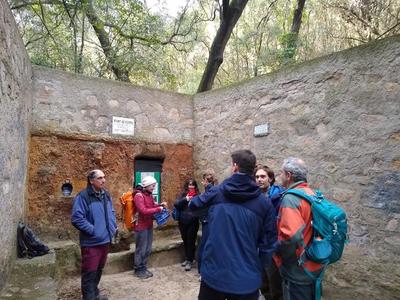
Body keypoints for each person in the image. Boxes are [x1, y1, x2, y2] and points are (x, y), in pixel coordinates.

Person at [189, 149, 277, 300]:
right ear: (252, 170)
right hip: (246, 279)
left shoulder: (217, 193)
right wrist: (258, 267)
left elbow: (193, 206)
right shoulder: (265, 204)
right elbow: (268, 244)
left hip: (214, 275)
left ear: (235, 167)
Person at [274, 157, 324, 300]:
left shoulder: (291, 198)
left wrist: (282, 259)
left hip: (297, 270)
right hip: (314, 264)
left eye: (281, 173)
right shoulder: (312, 194)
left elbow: (292, 236)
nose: (280, 176)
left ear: (289, 175)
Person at [71, 169, 117, 300]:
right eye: (100, 178)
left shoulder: (105, 195)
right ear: (91, 181)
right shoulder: (83, 196)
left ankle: (95, 295)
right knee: (89, 273)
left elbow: (111, 211)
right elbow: (77, 218)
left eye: (104, 177)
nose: (103, 180)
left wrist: (112, 226)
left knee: (98, 271)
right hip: (92, 243)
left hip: (105, 241)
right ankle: (89, 297)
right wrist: (94, 231)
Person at [255, 165, 283, 300]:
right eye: (257, 177)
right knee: (262, 280)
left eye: (263, 176)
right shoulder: (254, 196)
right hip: (259, 245)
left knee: (275, 282)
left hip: (273, 247)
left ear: (270, 179)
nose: (259, 179)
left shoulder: (279, 197)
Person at [133, 175, 166, 279]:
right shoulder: (138, 196)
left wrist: (160, 205)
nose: (154, 187)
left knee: (147, 248)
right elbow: (143, 210)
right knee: (141, 249)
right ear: (146, 185)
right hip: (141, 226)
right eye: (152, 185)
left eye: (154, 185)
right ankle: (138, 269)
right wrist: (158, 209)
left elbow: (151, 206)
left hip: (148, 225)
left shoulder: (149, 195)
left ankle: (143, 267)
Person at [174, 179, 200, 271]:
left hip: (193, 222)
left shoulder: (198, 195)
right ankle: (187, 258)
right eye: (189, 185)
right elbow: (176, 204)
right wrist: (186, 199)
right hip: (182, 221)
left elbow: (199, 207)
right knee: (185, 240)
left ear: (195, 186)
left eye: (193, 185)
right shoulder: (183, 194)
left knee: (190, 241)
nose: (191, 187)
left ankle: (190, 260)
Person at [196, 170, 218, 276]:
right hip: (209, 221)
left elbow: (202, 204)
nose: (201, 183)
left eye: (203, 180)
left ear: (206, 180)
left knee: (205, 247)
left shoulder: (210, 191)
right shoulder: (212, 191)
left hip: (208, 221)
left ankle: (203, 271)